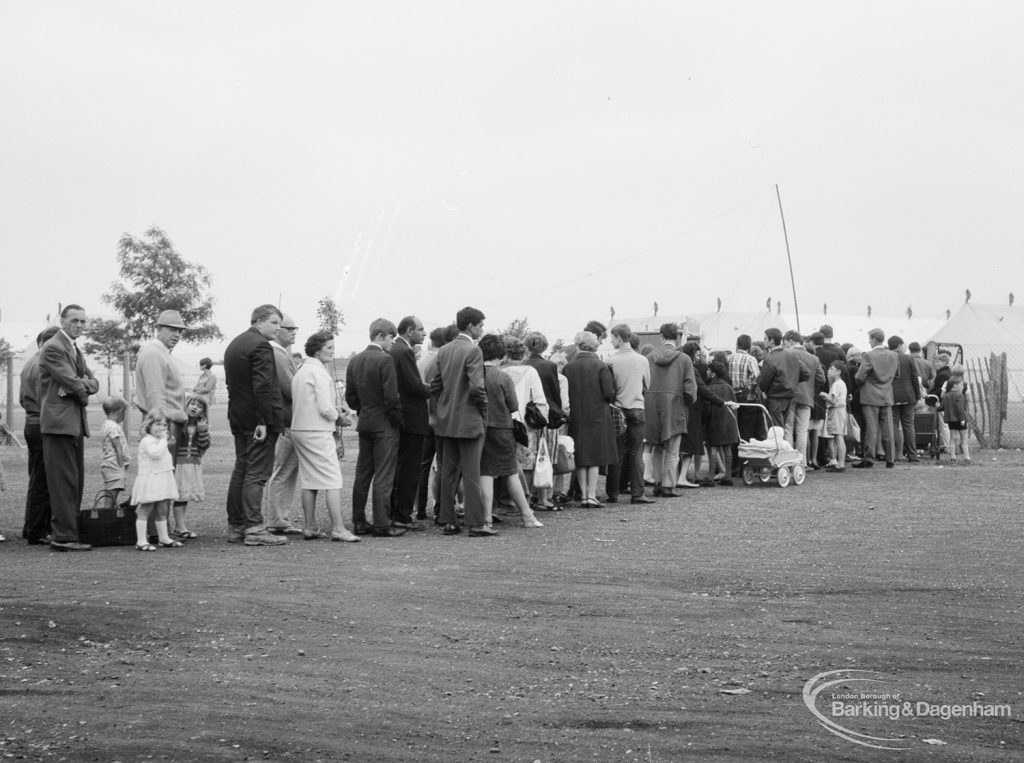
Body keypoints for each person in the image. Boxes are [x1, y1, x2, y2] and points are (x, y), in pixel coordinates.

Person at [223, 304, 287, 546]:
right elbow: (263, 386)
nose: (278, 328)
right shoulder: (261, 345)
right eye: (274, 322)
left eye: (279, 323)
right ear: (259, 321)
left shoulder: (235, 344)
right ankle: (255, 528)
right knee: (257, 473)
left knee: (241, 470)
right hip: (258, 421)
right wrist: (263, 420)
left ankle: (236, 527)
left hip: (238, 417)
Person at [39, 304, 100, 551]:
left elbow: (91, 382)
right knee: (63, 482)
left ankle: (69, 531)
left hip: (73, 423)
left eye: (83, 321)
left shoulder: (74, 348)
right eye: (74, 320)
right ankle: (63, 537)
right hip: (59, 425)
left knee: (74, 481)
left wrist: (80, 388)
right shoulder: (54, 347)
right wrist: (81, 390)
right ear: (62, 320)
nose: (79, 325)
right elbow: (76, 384)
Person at [292, 331, 360, 542]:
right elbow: (324, 408)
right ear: (317, 349)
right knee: (332, 479)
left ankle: (310, 526)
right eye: (329, 348)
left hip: (300, 429)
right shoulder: (319, 373)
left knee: (309, 479)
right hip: (316, 431)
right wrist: (339, 418)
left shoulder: (301, 370)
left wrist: (333, 410)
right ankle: (338, 528)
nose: (332, 351)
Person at [430, 306, 492, 537]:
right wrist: (484, 410)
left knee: (448, 472)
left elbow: (435, 386)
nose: (482, 329)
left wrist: (439, 410)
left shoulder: (444, 350)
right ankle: (476, 523)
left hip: (446, 422)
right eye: (480, 325)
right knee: (472, 472)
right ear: (470, 326)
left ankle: (449, 520)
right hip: (469, 420)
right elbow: (477, 386)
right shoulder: (473, 351)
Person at [346, 318, 405, 537]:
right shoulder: (385, 360)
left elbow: (350, 398)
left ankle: (359, 520)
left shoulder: (355, 360)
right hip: (385, 424)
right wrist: (398, 419)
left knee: (363, 474)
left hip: (366, 422)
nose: (392, 343)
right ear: (381, 336)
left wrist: (365, 408)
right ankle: (382, 522)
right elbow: (391, 397)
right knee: (384, 474)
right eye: (391, 337)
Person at [478, 335, 543, 529]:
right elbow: (513, 405)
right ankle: (527, 516)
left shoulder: (475, 374)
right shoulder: (503, 377)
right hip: (503, 428)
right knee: (511, 473)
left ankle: (486, 518)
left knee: (485, 473)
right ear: (502, 355)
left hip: (481, 428)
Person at [135, 309, 190, 534]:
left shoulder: (162, 353)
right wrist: (162, 429)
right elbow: (156, 394)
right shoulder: (154, 354)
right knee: (158, 478)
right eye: (171, 329)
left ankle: (159, 529)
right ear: (159, 328)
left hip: (168, 421)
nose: (176, 334)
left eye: (180, 330)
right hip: (162, 422)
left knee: (164, 476)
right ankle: (155, 530)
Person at [563, 331, 618, 507]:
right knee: (595, 456)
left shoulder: (569, 367)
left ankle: (584, 493)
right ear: (594, 345)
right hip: (598, 415)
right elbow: (609, 393)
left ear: (578, 344)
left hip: (577, 415)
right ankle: (591, 495)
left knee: (580, 456)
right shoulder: (601, 365)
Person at [644, 323, 697, 497]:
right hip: (674, 405)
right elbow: (690, 389)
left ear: (661, 337)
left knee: (657, 448)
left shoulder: (650, 357)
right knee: (673, 450)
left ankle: (657, 483)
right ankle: (668, 485)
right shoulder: (684, 359)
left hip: (652, 405)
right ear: (678, 337)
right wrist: (687, 403)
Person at [262, 314, 304, 535]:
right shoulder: (278, 354)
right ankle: (277, 519)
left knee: (286, 470)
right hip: (287, 420)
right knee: (283, 470)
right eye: (290, 327)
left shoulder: (282, 353)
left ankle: (280, 517)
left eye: (295, 328)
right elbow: (291, 388)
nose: (294, 331)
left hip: (288, 419)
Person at [19, 325, 59, 545]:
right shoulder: (43, 365)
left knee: (36, 476)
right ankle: (37, 529)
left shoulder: (28, 364)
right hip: (42, 424)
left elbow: (20, 398)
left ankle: (32, 526)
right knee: (43, 479)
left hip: (30, 422)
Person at [390, 315, 430, 531]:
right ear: (408, 331)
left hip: (401, 417)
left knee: (400, 466)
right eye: (421, 329)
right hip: (412, 418)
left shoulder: (395, 349)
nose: (424, 333)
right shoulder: (404, 351)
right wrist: (432, 388)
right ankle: (402, 515)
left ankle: (395, 512)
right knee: (409, 469)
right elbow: (413, 386)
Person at [605, 324, 653, 504]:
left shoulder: (610, 361)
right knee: (636, 452)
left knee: (616, 452)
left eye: (612, 338)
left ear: (618, 338)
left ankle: (613, 493)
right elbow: (647, 384)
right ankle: (638, 493)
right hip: (637, 408)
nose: (611, 341)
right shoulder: (642, 360)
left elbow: (608, 388)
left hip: (617, 410)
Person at [521, 331, 565, 510]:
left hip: (527, 416)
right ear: (544, 346)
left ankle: (527, 496)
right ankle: (544, 498)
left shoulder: (522, 365)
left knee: (528, 459)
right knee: (547, 458)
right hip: (545, 415)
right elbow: (555, 393)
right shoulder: (549, 366)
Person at [130, 413, 183, 551]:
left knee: (163, 508)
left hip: (163, 479)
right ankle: (141, 541)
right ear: (149, 426)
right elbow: (155, 454)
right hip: (151, 479)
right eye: (158, 424)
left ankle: (164, 538)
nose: (162, 427)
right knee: (147, 508)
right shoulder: (147, 441)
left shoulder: (159, 441)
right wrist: (164, 440)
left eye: (165, 425)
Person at [854, 328, 899, 468]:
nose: (869, 341)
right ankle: (890, 459)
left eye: (869, 339)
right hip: (886, 395)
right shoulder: (893, 355)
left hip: (870, 396)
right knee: (888, 429)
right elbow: (897, 375)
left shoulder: (868, 355)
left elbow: (860, 377)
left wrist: (858, 378)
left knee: (871, 429)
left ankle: (869, 458)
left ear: (873, 339)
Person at [171, 394, 211, 538]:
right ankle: (181, 527)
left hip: (192, 465)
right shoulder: (179, 424)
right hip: (179, 464)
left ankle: (179, 526)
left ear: (203, 412)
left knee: (185, 495)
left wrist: (202, 431)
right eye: (192, 404)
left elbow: (203, 446)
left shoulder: (202, 426)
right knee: (179, 496)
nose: (195, 407)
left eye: (199, 406)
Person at [758, 327, 809, 431]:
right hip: (789, 397)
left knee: (775, 430)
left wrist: (765, 390)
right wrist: (792, 379)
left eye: (765, 339)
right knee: (781, 428)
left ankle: (779, 447)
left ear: (771, 341)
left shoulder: (770, 358)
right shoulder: (792, 354)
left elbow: (763, 382)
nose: (764, 342)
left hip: (774, 398)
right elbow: (806, 373)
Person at [888, 336, 922, 462]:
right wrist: (917, 395)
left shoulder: (888, 357)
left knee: (894, 425)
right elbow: (914, 378)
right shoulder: (908, 358)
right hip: (908, 395)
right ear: (899, 345)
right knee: (908, 425)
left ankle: (894, 454)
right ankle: (912, 455)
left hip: (892, 396)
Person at [705, 360, 739, 484]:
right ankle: (728, 476)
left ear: (713, 374)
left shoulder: (709, 388)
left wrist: (705, 422)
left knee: (713, 448)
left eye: (709, 370)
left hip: (714, 421)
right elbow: (734, 405)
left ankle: (710, 478)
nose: (707, 372)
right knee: (727, 448)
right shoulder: (728, 387)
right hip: (728, 421)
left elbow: (707, 408)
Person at [100, 397, 130, 506]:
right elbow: (118, 448)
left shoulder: (107, 424)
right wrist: (121, 467)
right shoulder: (112, 427)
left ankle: (112, 517)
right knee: (109, 501)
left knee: (112, 498)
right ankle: (106, 520)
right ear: (120, 411)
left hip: (111, 466)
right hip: (114, 466)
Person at [820, 360, 848, 471]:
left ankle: (840, 464)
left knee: (838, 436)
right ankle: (840, 462)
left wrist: (824, 394)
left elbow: (833, 399)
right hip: (841, 410)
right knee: (839, 436)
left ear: (838, 372)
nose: (829, 370)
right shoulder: (842, 383)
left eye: (831, 369)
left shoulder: (836, 384)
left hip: (836, 410)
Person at [940, 378, 970, 465]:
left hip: (951, 421)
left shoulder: (946, 395)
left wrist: (937, 405)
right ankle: (966, 457)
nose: (962, 386)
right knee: (963, 439)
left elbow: (941, 407)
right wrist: (962, 420)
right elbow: (960, 409)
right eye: (961, 385)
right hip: (960, 420)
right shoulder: (960, 395)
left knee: (952, 438)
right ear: (955, 385)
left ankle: (953, 456)